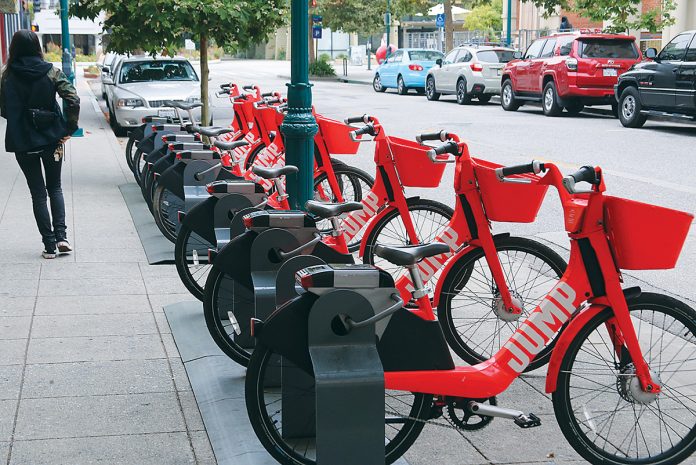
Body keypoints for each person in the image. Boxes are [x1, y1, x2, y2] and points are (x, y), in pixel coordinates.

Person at [0, 30, 80, 259]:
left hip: (22, 141)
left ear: (14, 48)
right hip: (52, 138)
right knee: (55, 188)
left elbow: (3, 108)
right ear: (38, 47)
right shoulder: (51, 72)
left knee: (37, 193)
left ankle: (49, 245)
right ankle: (62, 237)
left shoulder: (6, 76)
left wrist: (19, 119)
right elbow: (72, 98)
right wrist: (69, 128)